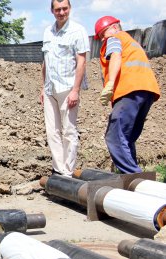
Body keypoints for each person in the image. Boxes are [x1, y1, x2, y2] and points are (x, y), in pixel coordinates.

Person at [95, 16, 160, 174]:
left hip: (129, 89)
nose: (103, 38)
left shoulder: (115, 38)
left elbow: (115, 56)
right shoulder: (132, 43)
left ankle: (137, 180)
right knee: (127, 138)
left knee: (115, 138)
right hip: (146, 91)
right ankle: (132, 180)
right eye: (101, 36)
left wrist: (110, 83)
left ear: (115, 27)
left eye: (104, 32)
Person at [40, 0, 89, 177]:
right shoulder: (48, 32)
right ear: (52, 10)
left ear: (69, 9)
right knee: (52, 131)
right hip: (50, 88)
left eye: (64, 8)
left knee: (69, 130)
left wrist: (76, 89)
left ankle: (68, 171)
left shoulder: (78, 31)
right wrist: (42, 88)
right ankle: (58, 169)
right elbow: (45, 63)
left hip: (68, 87)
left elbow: (81, 61)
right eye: (58, 9)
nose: (61, 12)